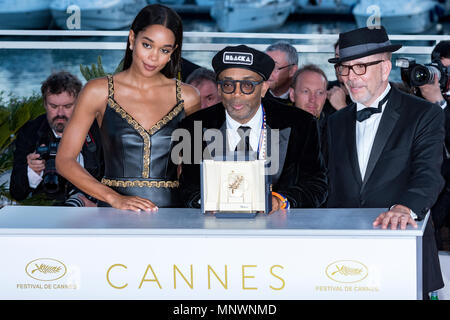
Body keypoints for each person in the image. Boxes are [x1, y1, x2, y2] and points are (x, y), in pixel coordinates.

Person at [326, 26, 444, 298]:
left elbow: (429, 175)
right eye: (344, 68)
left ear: (385, 67)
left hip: (401, 248)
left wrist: (405, 208)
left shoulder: (423, 114)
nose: (350, 78)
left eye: (360, 67)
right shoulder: (335, 122)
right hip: (341, 259)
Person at [55, 4, 200, 212]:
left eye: (164, 50)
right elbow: (64, 160)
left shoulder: (188, 96)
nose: (153, 57)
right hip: (114, 213)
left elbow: (191, 165)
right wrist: (114, 198)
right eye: (147, 45)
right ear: (132, 39)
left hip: (173, 213)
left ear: (173, 52)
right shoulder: (98, 91)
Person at [179, 45, 327, 211]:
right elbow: (186, 188)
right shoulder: (194, 126)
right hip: (217, 229)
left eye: (247, 85)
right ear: (220, 89)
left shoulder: (301, 123)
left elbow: (316, 184)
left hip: (280, 229)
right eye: (228, 85)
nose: (236, 94)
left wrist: (280, 201)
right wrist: (206, 202)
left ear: (263, 88)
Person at [10, 71, 104, 206]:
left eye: (67, 106)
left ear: (79, 104)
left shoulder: (98, 131)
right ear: (45, 104)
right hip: (45, 210)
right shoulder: (30, 132)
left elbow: (114, 181)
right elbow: (17, 192)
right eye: (53, 106)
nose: (60, 113)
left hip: (90, 211)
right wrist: (32, 171)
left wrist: (97, 206)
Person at [417, 40, 450, 250]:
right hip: (428, 193)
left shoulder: (437, 100)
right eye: (441, 69)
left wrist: (440, 104)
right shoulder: (417, 99)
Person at [289, 64, 329, 159]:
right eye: (306, 91)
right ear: (292, 95)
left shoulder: (335, 133)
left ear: (325, 97)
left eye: (319, 92)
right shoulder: (276, 130)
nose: (312, 99)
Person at [264, 41, 299, 106]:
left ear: (292, 71)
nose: (267, 72)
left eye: (274, 68)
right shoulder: (255, 95)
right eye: (265, 66)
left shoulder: (302, 98)